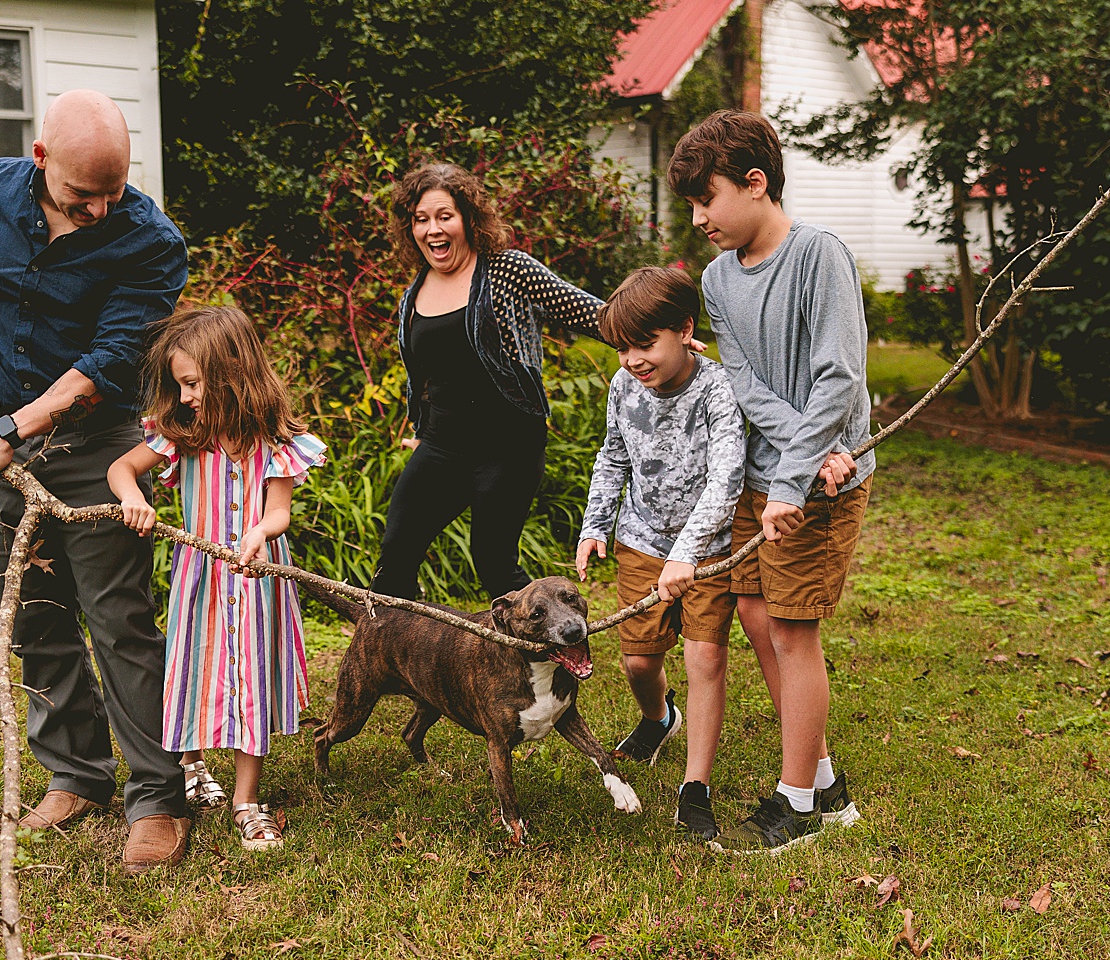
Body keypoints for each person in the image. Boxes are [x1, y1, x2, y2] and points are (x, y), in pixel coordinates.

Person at [0, 89, 192, 874]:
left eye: (112, 192)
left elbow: (108, 364)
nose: (98, 208)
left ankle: (157, 795)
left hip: (95, 442)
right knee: (34, 614)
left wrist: (12, 433)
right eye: (83, 194)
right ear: (42, 160)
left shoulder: (151, 242)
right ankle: (76, 774)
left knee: (119, 621)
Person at [668, 109, 869, 854]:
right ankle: (827, 786)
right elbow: (747, 384)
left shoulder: (821, 256)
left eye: (706, 199)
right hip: (779, 472)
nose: (699, 219)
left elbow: (837, 377)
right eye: (691, 205)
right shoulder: (720, 280)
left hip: (822, 485)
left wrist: (802, 476)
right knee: (756, 615)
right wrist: (795, 459)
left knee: (792, 628)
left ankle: (798, 806)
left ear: (755, 183)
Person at [109, 305, 325, 852]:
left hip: (258, 580)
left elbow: (280, 513)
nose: (184, 397)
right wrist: (134, 500)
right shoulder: (184, 436)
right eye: (178, 386)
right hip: (200, 576)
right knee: (195, 665)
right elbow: (121, 469)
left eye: (191, 383)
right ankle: (191, 766)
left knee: (250, 676)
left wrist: (259, 533)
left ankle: (247, 800)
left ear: (231, 369)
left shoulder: (275, 441)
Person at [368, 162, 610, 601]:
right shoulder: (413, 295)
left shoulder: (507, 272)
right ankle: (405, 655)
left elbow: (587, 312)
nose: (432, 230)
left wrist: (657, 332)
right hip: (443, 447)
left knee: (494, 563)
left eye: (445, 216)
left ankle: (555, 657)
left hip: (509, 448)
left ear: (468, 218)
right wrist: (423, 433)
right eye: (421, 220)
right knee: (395, 553)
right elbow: (427, 377)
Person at [575, 266, 746, 843]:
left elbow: (727, 478)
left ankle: (695, 786)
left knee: (705, 660)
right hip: (642, 542)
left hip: (708, 552)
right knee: (639, 662)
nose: (632, 359)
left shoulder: (716, 391)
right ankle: (658, 718)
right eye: (622, 348)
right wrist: (595, 524)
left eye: (645, 344)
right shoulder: (623, 389)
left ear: (684, 330)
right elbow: (612, 457)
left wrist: (689, 553)